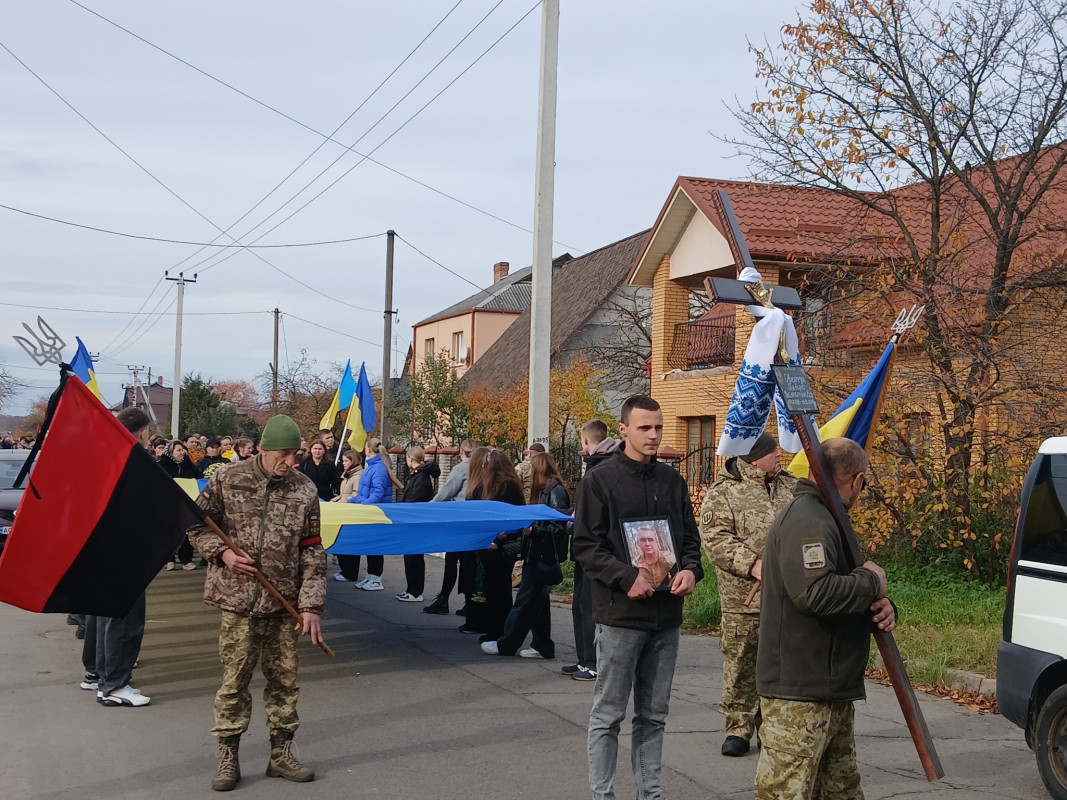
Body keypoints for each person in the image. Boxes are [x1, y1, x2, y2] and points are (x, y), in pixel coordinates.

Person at [571, 394, 704, 800]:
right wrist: (625, 577)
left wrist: (689, 571)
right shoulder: (600, 480)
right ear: (624, 429)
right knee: (608, 714)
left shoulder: (672, 481)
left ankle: (651, 793)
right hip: (620, 617)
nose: (653, 435)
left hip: (666, 617)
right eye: (645, 427)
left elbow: (689, 542)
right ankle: (603, 794)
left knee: (654, 716)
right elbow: (585, 546)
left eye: (659, 427)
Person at [186, 414, 326, 791]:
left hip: (285, 605)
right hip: (238, 600)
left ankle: (281, 753)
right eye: (284, 454)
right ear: (262, 450)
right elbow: (196, 525)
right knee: (234, 683)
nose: (291, 462)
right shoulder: (226, 479)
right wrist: (223, 554)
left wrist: (311, 606)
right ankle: (228, 754)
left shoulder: (305, 489)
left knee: (284, 682)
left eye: (295, 455)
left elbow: (313, 551)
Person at [753, 437, 896, 800]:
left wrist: (879, 604)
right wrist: (870, 581)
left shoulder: (826, 516)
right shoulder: (809, 519)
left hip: (829, 688)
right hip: (800, 693)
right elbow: (813, 593)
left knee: (840, 792)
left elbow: (842, 589)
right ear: (857, 479)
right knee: (786, 792)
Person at [700, 430, 797, 757]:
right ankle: (738, 727)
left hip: (787, 595)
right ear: (756, 457)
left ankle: (772, 728)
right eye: (773, 452)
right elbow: (715, 540)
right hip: (744, 598)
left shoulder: (790, 485)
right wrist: (753, 565)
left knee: (781, 664)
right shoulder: (724, 492)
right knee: (742, 662)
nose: (779, 456)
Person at [79, 406, 155, 708]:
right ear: (142, 432)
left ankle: (97, 675)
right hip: (123, 549)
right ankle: (114, 685)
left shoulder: (100, 457)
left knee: (102, 614)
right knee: (123, 618)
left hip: (101, 547)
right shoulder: (129, 460)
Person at [481, 451, 570, 659]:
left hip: (542, 556)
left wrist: (533, 531)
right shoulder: (548, 491)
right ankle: (543, 645)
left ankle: (506, 644)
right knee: (538, 605)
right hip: (538, 554)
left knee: (524, 603)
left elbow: (558, 527)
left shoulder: (555, 492)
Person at [562, 420, 619, 682]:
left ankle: (592, 663)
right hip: (592, 549)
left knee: (588, 607)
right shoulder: (606, 463)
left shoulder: (600, 468)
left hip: (593, 549)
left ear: (585, 441)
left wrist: (570, 524)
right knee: (580, 605)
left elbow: (589, 514)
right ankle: (584, 660)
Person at [460, 447, 525, 638]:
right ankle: (497, 626)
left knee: (494, 587)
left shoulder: (494, 487)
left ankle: (497, 629)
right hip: (500, 542)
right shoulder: (511, 485)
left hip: (493, 544)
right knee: (499, 587)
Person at [423, 438, 477, 615]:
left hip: (460, 522)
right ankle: (470, 602)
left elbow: (446, 492)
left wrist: (429, 507)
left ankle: (444, 599)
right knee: (471, 564)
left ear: (461, 452)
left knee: (453, 561)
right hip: (478, 522)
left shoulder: (461, 469)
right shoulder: (484, 468)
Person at [347, 437, 403, 591]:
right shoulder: (373, 466)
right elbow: (365, 491)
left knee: (375, 546)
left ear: (368, 449)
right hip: (370, 511)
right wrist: (353, 501)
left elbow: (377, 493)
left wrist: (364, 505)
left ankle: (376, 578)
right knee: (370, 546)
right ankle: (371, 575)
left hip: (375, 512)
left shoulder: (378, 468)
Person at [395, 445, 440, 602]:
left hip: (416, 523)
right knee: (410, 557)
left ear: (410, 459)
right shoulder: (417, 475)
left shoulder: (421, 477)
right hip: (412, 522)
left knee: (414, 558)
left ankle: (416, 592)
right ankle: (410, 589)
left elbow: (415, 501)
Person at [158, 440, 204, 570]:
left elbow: (198, 477)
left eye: (183, 450)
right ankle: (169, 560)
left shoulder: (188, 464)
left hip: (186, 502)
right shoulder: (162, 465)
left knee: (186, 531)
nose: (182, 452)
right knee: (169, 532)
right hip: (168, 503)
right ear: (170, 452)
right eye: (178, 450)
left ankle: (186, 560)